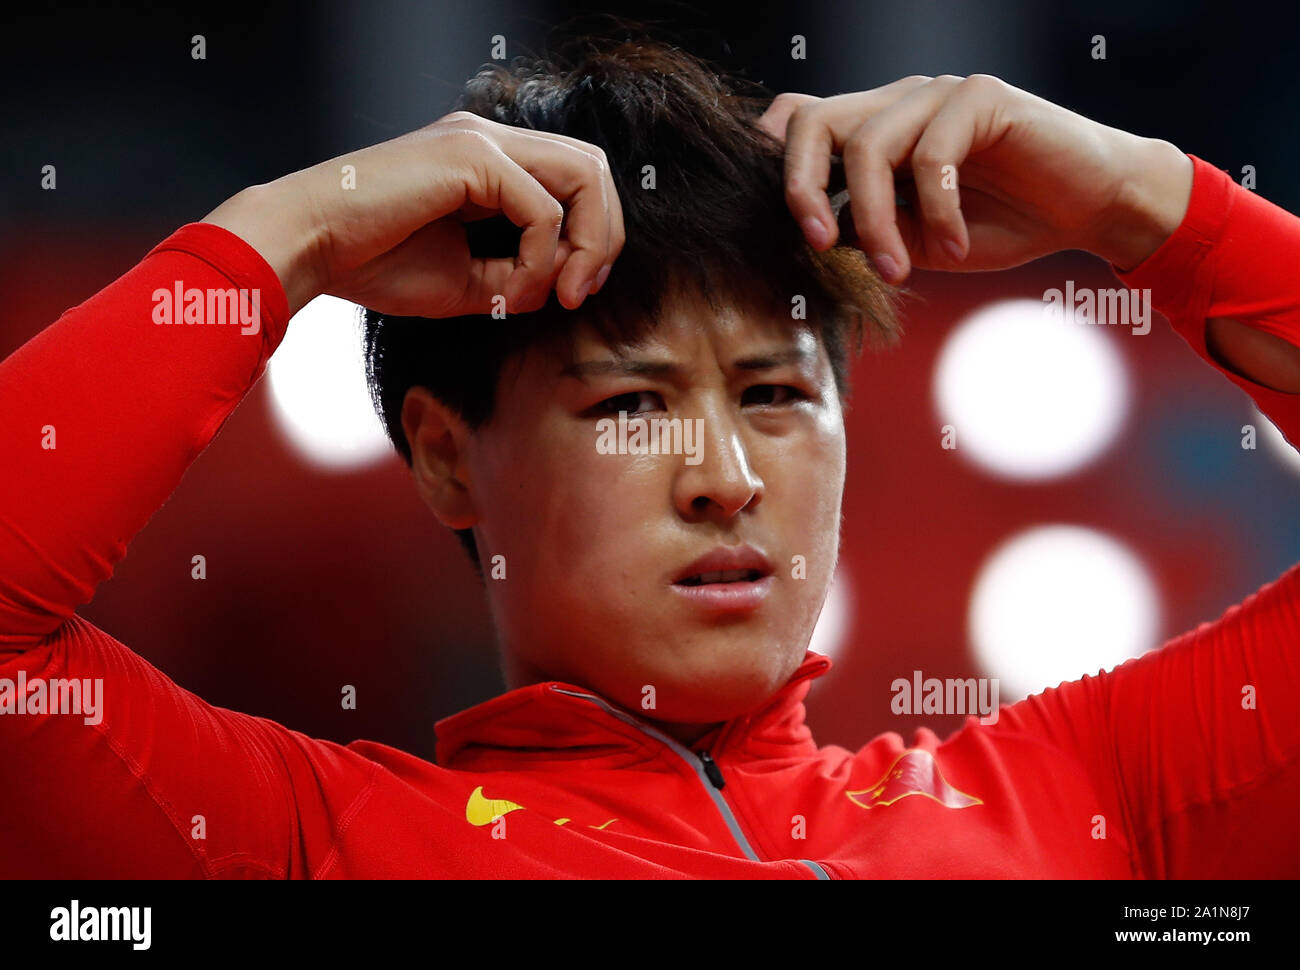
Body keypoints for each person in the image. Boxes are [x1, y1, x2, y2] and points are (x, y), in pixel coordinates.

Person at [2, 35, 1298, 878]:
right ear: (449, 457)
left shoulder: (1087, 790)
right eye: (631, 403)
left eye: (778, 391)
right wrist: (286, 237)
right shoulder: (301, 844)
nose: (723, 474)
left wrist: (1144, 205)